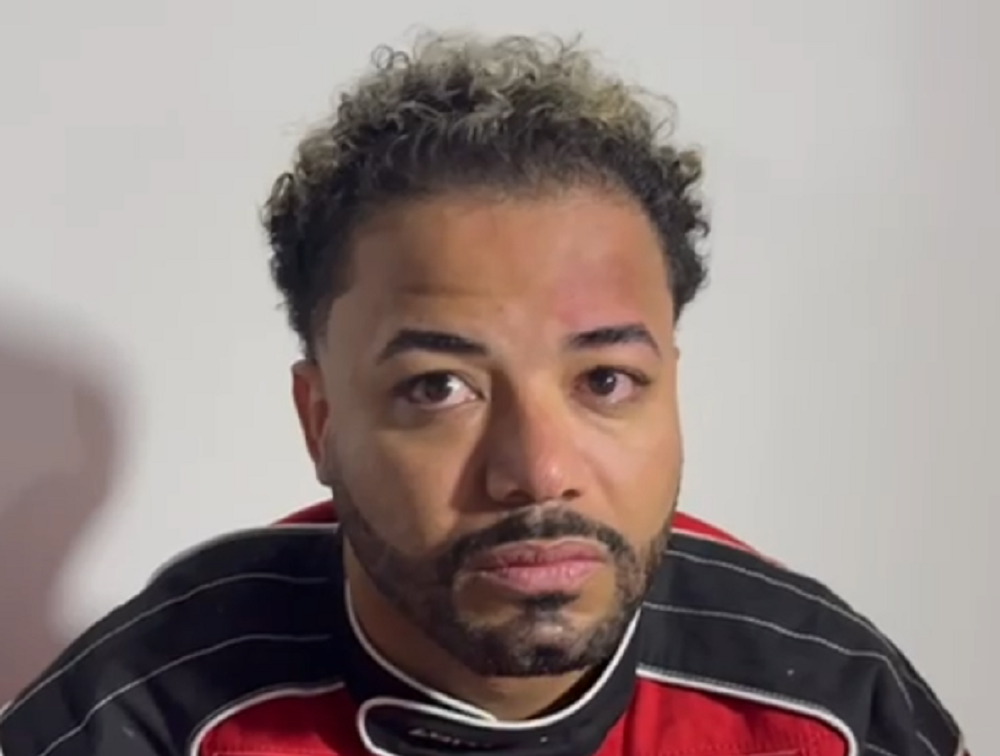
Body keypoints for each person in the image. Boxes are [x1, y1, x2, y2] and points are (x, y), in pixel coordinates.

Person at [0, 32, 969, 756]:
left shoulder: (828, 706)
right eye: (439, 387)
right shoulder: (147, 711)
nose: (538, 472)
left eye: (605, 380)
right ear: (321, 422)